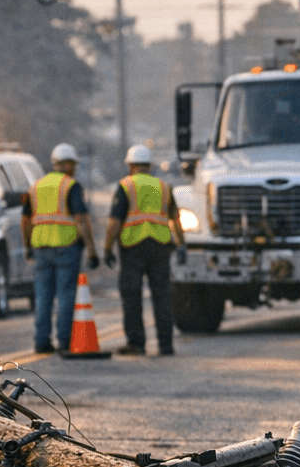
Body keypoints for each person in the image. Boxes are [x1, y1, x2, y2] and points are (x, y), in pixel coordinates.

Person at [102, 144, 182, 356]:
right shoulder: (163, 186)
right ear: (149, 165)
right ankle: (166, 344)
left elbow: (114, 222)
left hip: (132, 248)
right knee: (162, 295)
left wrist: (107, 248)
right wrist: (181, 245)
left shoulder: (125, 186)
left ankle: (136, 343)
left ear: (130, 165)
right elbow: (175, 218)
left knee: (132, 296)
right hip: (160, 247)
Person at [22, 143, 99, 353]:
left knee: (42, 296)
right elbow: (81, 219)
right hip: (66, 247)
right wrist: (92, 249)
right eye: (73, 164)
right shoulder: (71, 186)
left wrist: (28, 245)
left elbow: (25, 220)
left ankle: (41, 341)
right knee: (65, 294)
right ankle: (65, 341)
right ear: (68, 165)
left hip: (40, 248)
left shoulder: (36, 186)